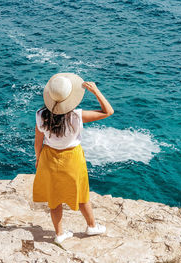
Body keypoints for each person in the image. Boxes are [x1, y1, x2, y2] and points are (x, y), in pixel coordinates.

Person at [33, 73, 114, 244]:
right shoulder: (76, 116)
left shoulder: (40, 115)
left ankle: (60, 234)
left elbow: (37, 143)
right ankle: (91, 226)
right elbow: (109, 111)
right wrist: (96, 91)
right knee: (81, 193)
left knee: (54, 199)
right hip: (72, 159)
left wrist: (38, 159)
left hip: (49, 158)